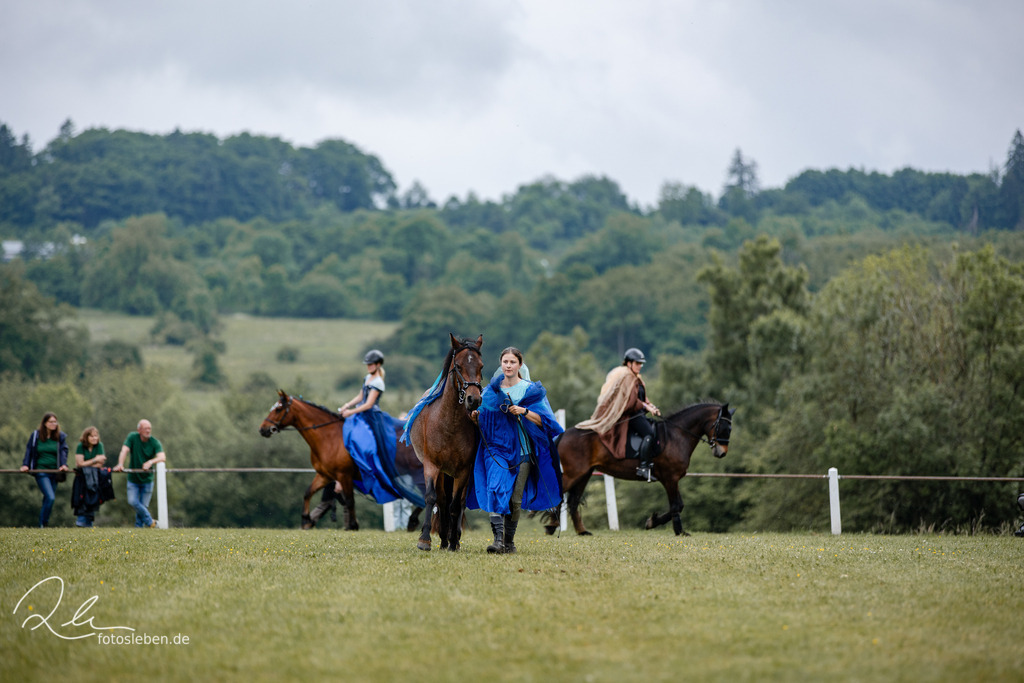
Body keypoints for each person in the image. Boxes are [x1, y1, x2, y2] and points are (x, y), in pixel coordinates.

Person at [467, 347, 563, 554]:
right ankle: (498, 541)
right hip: (496, 450)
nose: (508, 366)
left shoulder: (531, 391)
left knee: (515, 499)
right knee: (495, 488)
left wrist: (524, 411)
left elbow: (546, 421)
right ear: (500, 364)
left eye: (512, 362)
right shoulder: (490, 392)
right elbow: (484, 423)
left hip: (523, 451)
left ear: (520, 364)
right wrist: (476, 419)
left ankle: (509, 542)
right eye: (505, 362)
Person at [338, 349, 424, 511]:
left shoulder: (378, 382)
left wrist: (351, 412)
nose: (368, 366)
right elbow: (359, 397)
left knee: (370, 444)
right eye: (367, 364)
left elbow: (368, 404)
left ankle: (371, 467)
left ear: (378, 365)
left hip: (372, 416)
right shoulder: (368, 378)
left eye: (371, 364)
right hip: (361, 414)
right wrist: (347, 405)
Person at [575, 347, 662, 481]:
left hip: (638, 414)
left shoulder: (636, 378)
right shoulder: (627, 377)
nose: (640, 366)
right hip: (630, 415)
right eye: (637, 363)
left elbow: (643, 398)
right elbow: (629, 401)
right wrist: (645, 406)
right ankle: (643, 467)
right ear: (629, 363)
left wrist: (651, 406)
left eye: (641, 363)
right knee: (649, 433)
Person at [113, 419, 165, 528]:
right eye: (145, 428)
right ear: (139, 430)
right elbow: (124, 450)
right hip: (133, 479)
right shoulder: (132, 437)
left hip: (147, 480)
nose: (148, 431)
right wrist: (120, 464)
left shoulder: (155, 442)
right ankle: (151, 522)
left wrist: (150, 462)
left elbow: (162, 457)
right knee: (133, 502)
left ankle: (139, 528)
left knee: (143, 506)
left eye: (149, 428)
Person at [20, 412, 69, 527]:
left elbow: (63, 451)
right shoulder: (36, 436)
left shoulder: (60, 437)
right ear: (45, 423)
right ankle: (43, 523)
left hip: (55, 472)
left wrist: (64, 465)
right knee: (50, 497)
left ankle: (42, 524)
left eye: (55, 422)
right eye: (51, 422)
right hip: (41, 471)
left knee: (48, 498)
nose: (53, 424)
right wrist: (25, 464)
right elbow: (29, 451)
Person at [72, 426, 111, 528]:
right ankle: (80, 522)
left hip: (94, 479)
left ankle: (89, 524)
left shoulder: (100, 446)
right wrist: (95, 460)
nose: (94, 438)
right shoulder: (80, 446)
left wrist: (87, 464)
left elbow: (100, 464)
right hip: (82, 479)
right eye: (92, 436)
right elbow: (79, 463)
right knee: (81, 500)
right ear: (86, 437)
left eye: (96, 436)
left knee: (92, 499)